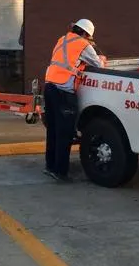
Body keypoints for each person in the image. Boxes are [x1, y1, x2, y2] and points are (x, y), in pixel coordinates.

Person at [42, 18, 106, 181]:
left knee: (53, 130)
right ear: (85, 33)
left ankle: (50, 166)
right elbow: (98, 65)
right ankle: (60, 172)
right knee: (64, 133)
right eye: (89, 37)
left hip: (49, 87)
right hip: (64, 91)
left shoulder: (62, 39)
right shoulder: (84, 45)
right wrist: (102, 58)